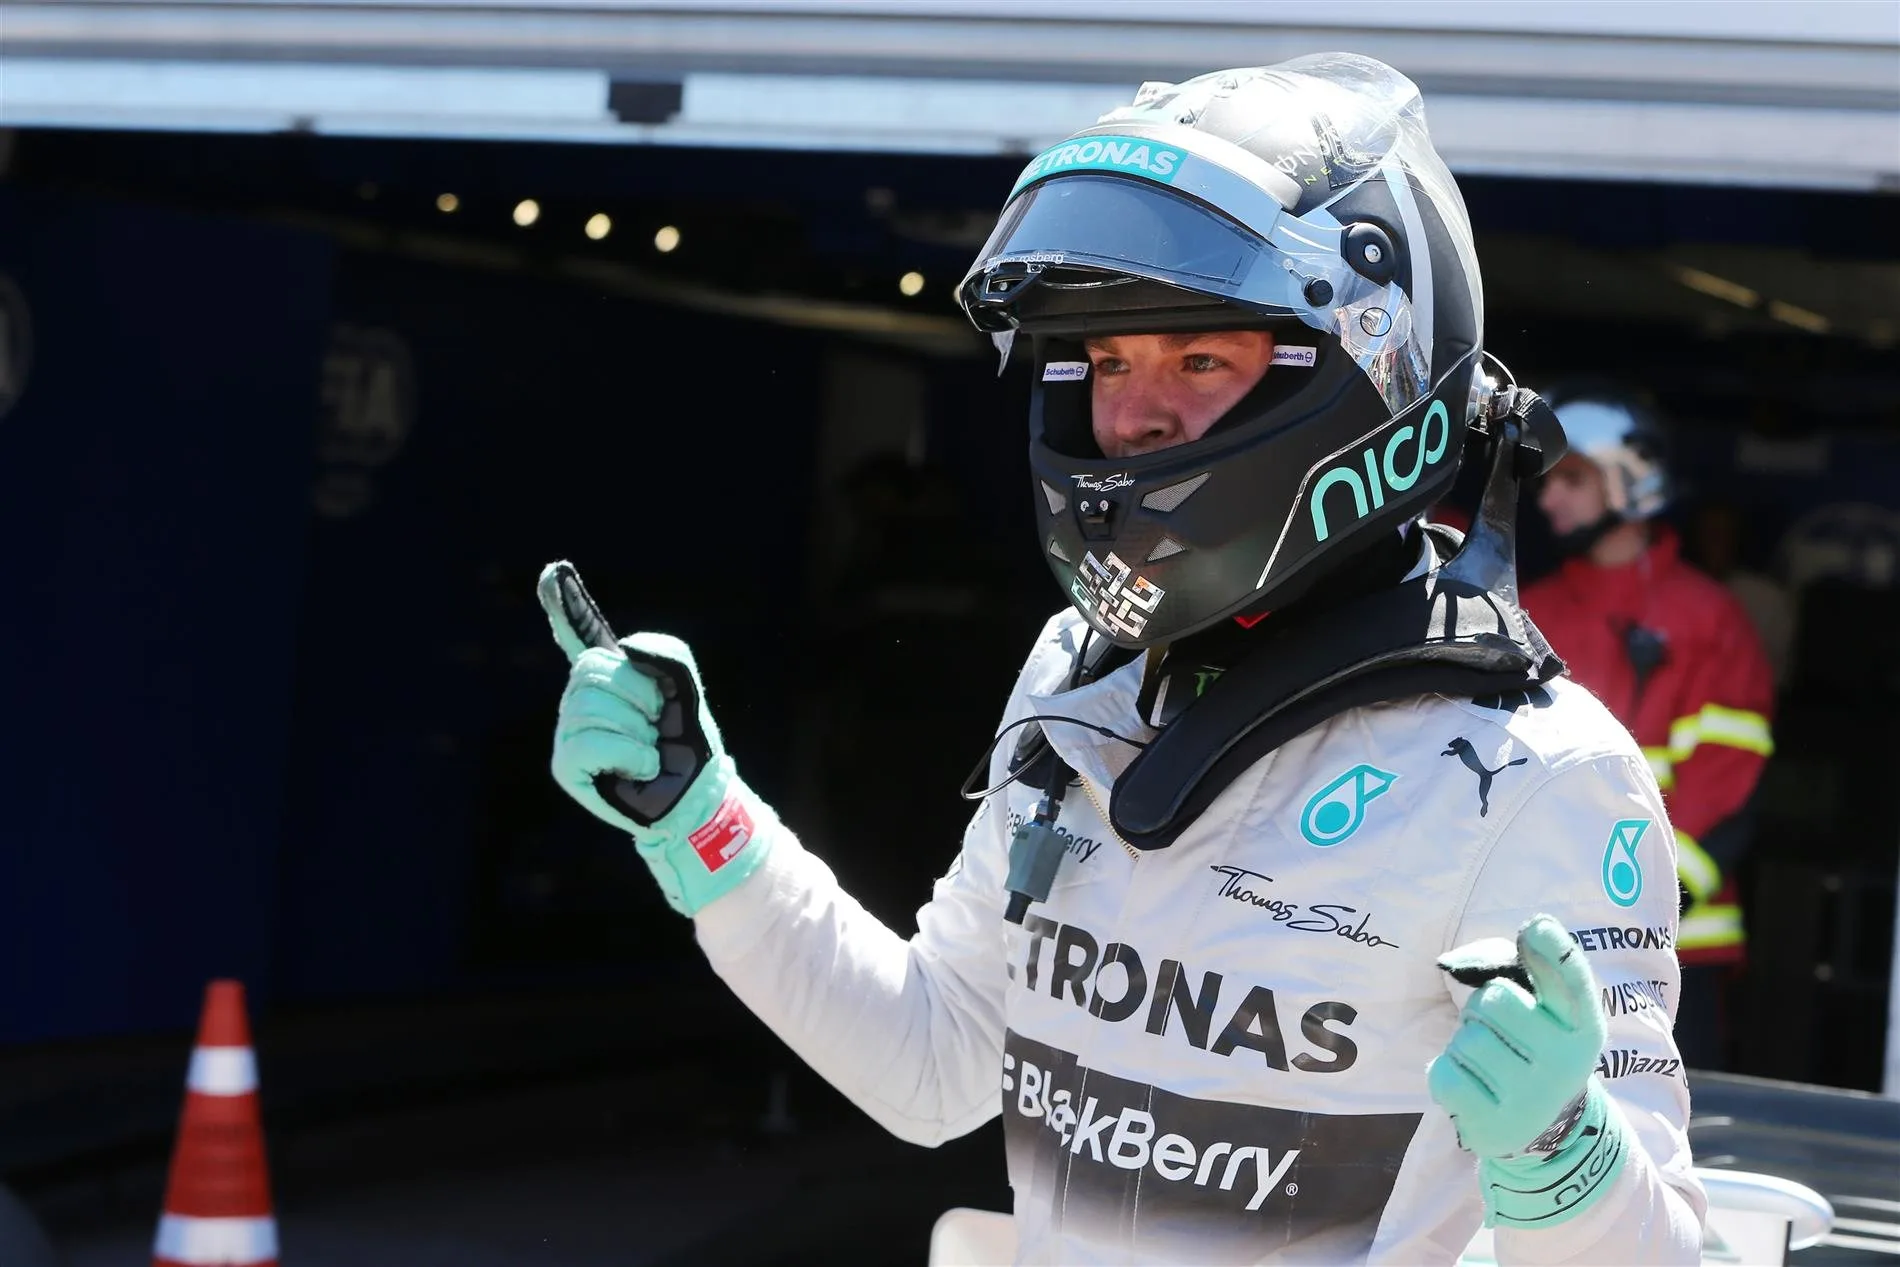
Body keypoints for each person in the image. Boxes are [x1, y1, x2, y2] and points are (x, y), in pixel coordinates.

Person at [543, 56, 1704, 1264]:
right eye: (1106, 362)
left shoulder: (1529, 775)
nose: (1133, 415)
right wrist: (702, 829)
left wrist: (1563, 1156)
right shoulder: (1082, 672)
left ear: (1369, 376)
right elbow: (932, 1064)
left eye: (1198, 360)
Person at [1523, 383, 1775, 1072]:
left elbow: (1726, 791)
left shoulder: (1709, 619)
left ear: (1630, 481)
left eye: (1572, 478)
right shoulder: (1523, 613)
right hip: (1535, 946)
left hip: (1677, 955)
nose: (1549, 500)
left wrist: (1634, 918)